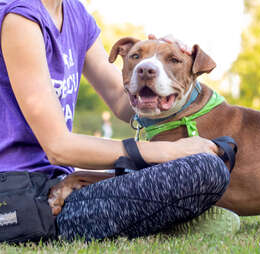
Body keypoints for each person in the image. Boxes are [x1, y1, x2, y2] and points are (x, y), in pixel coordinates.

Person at [0, 0, 238, 241]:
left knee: (208, 168)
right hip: (17, 192)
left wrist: (168, 70)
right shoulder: (22, 19)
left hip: (60, 182)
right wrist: (170, 151)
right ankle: (161, 218)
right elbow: (58, 148)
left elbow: (120, 98)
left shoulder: (74, 13)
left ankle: (156, 217)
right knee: (203, 170)